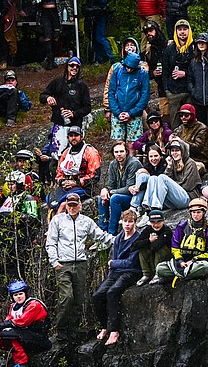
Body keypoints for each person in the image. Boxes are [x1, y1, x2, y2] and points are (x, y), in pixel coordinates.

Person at [46, 191, 113, 342]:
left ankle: (73, 329)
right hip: (63, 264)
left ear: (80, 205)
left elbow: (100, 236)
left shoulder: (86, 221)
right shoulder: (57, 220)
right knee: (66, 297)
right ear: (66, 206)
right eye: (70, 205)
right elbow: (50, 242)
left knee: (78, 299)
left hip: (81, 263)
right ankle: (61, 328)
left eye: (75, 205)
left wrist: (119, 240)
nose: (72, 208)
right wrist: (54, 261)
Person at [92, 209, 140, 347]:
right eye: (125, 221)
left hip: (131, 272)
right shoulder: (119, 237)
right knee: (97, 295)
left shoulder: (137, 238)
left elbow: (131, 262)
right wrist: (113, 265)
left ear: (135, 223)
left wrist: (113, 264)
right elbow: (115, 258)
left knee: (112, 292)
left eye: (130, 222)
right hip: (116, 272)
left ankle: (115, 330)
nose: (127, 225)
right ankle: (104, 326)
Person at [40, 57, 92, 165]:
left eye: (77, 66)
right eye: (72, 65)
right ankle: (57, 178)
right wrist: (48, 98)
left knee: (75, 155)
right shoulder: (57, 82)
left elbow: (87, 107)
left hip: (75, 126)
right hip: (59, 124)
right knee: (57, 155)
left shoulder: (82, 86)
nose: (74, 68)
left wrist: (74, 113)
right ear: (67, 67)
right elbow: (42, 96)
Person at [154, 198, 208, 284]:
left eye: (198, 212)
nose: (196, 215)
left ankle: (179, 276)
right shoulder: (182, 225)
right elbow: (175, 246)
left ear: (203, 213)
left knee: (206, 267)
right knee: (160, 268)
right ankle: (185, 275)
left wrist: (193, 261)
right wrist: (180, 261)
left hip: (197, 263)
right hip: (181, 263)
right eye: (193, 212)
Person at [49, 126, 103, 207]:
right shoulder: (66, 152)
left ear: (81, 137)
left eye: (76, 135)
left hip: (84, 188)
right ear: (68, 138)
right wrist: (63, 182)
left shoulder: (90, 151)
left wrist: (76, 183)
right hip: (66, 186)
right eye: (71, 136)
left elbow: (95, 175)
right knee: (51, 203)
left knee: (63, 204)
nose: (73, 138)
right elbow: (59, 173)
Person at [98, 141, 143, 234]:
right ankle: (102, 232)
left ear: (126, 152)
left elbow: (128, 189)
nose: (119, 154)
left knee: (115, 198)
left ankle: (112, 233)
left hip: (134, 198)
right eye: (116, 152)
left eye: (121, 151)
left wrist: (110, 192)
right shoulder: (113, 164)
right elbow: (111, 185)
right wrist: (105, 190)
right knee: (101, 198)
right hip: (119, 195)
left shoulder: (133, 163)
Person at [33, 0, 68, 69]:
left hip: (55, 12)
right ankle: (49, 58)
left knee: (56, 35)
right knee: (47, 34)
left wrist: (70, 13)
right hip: (44, 12)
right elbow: (33, 0)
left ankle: (53, 58)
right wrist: (37, 0)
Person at [162, 20, 195, 124]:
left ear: (189, 31)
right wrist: (167, 90)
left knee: (190, 122)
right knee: (175, 124)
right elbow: (165, 72)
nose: (182, 32)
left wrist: (185, 73)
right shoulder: (170, 49)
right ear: (175, 32)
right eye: (179, 29)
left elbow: (200, 71)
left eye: (185, 29)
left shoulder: (195, 48)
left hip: (190, 91)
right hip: (174, 92)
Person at [132, 209, 173, 286]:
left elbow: (157, 246)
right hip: (151, 258)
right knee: (142, 250)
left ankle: (158, 274)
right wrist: (149, 240)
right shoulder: (148, 230)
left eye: (158, 222)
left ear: (163, 221)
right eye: (153, 222)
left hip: (164, 261)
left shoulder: (167, 231)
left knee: (161, 248)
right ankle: (146, 274)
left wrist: (149, 244)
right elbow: (134, 245)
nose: (156, 225)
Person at [83, 0, 112, 64]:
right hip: (93, 14)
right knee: (94, 37)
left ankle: (110, 57)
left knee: (100, 37)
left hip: (100, 13)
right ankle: (99, 58)